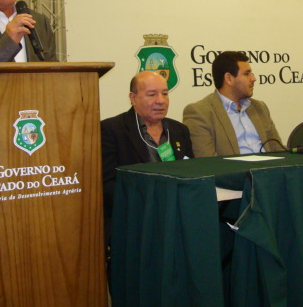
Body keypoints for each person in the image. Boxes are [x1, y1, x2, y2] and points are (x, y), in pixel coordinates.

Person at [100, 70, 193, 231]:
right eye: (152, 94)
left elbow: (192, 173)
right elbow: (107, 186)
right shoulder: (112, 130)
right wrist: (151, 201)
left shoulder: (179, 130)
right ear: (133, 98)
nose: (160, 101)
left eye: (165, 94)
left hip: (178, 216)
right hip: (135, 220)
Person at [183, 51, 283, 157]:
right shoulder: (200, 113)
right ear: (229, 78)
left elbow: (278, 150)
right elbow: (207, 162)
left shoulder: (260, 107)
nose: (253, 79)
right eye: (246, 74)